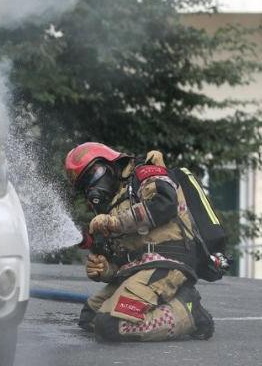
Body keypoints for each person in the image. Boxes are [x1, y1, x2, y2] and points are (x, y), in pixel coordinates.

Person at [65, 142, 215, 341]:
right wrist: (105, 269)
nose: (92, 185)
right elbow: (121, 260)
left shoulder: (143, 172)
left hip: (166, 260)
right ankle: (171, 299)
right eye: (86, 184)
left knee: (109, 325)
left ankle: (189, 312)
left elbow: (165, 204)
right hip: (138, 269)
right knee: (89, 317)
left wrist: (115, 223)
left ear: (109, 163)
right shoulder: (114, 204)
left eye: (94, 173)